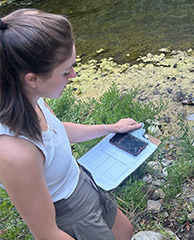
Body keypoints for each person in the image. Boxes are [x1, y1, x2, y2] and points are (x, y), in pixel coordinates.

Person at [0, 9, 141, 240]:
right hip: (69, 211)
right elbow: (48, 234)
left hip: (81, 181)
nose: (73, 75)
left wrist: (111, 128)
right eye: (66, 71)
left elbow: (56, 131)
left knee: (125, 231)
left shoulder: (28, 97)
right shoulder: (15, 153)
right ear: (32, 79)